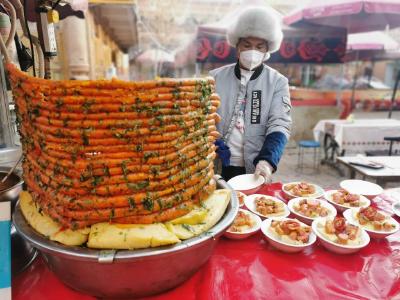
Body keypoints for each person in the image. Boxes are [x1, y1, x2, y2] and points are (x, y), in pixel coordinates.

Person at [210, 6, 292, 182]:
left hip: (254, 168)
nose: (252, 51)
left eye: (259, 46)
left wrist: (267, 160)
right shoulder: (214, 78)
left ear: (267, 50)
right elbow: (202, 119)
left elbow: (279, 124)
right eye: (247, 45)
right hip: (215, 163)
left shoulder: (278, 82)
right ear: (237, 46)